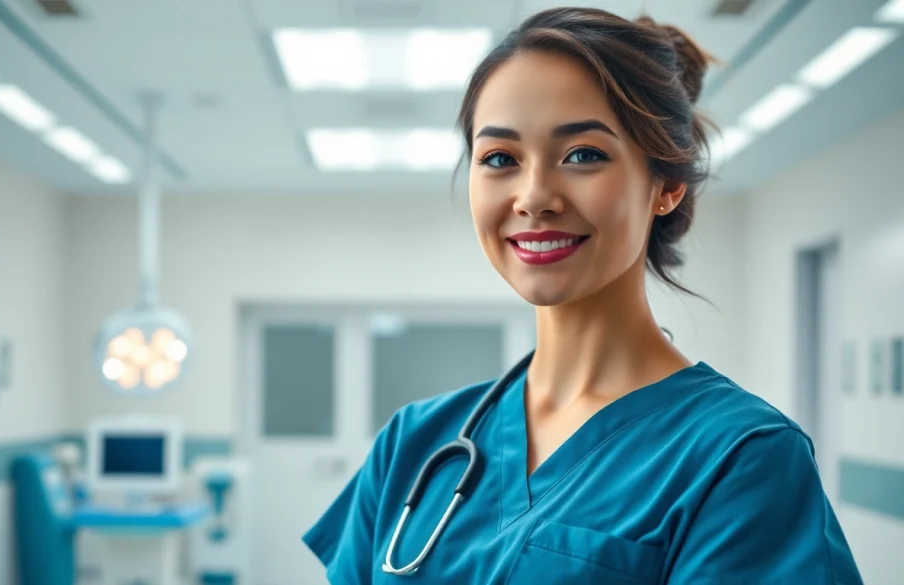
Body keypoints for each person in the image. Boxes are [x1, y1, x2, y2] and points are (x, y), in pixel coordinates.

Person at [302, 7, 863, 584]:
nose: (534, 196)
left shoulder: (739, 458)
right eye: (500, 159)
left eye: (583, 155)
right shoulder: (413, 443)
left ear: (666, 184)